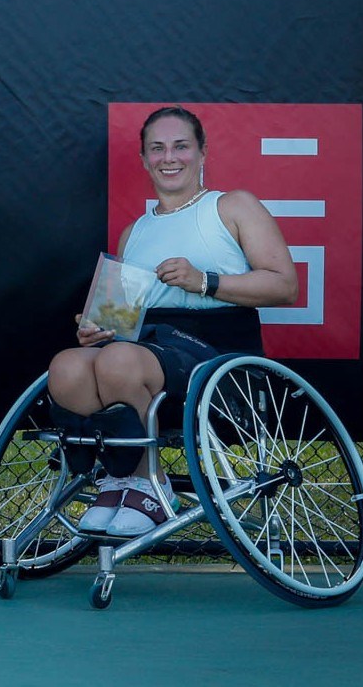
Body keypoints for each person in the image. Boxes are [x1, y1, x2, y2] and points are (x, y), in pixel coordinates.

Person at [47, 105, 298, 536]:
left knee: (120, 361)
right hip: (147, 347)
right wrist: (97, 328)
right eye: (157, 148)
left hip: (218, 358)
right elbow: (117, 320)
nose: (170, 158)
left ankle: (150, 484)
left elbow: (284, 286)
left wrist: (204, 281)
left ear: (202, 153)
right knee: (67, 366)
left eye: (181, 146)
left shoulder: (233, 206)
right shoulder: (135, 233)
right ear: (144, 159)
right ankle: (118, 480)